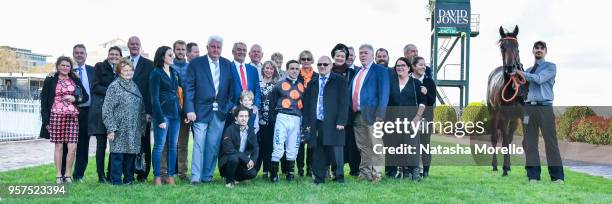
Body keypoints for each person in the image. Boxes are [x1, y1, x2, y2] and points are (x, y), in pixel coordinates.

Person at [184, 35, 235, 184]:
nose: (216, 49)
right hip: (199, 112)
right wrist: (190, 109)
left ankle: (207, 176)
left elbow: (232, 90)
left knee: (212, 146)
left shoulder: (227, 64)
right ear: (207, 47)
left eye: (218, 47)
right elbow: (189, 88)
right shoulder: (196, 63)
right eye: (213, 46)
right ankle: (195, 177)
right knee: (199, 144)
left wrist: (227, 107)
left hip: (219, 112)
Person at [516, 41, 564, 183]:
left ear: (545, 52)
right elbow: (522, 88)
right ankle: (533, 176)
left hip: (545, 108)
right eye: (536, 48)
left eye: (541, 48)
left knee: (551, 143)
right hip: (529, 109)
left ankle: (557, 177)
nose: (539, 50)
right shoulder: (528, 70)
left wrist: (520, 73)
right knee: (530, 143)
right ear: (533, 51)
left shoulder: (551, 67)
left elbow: (539, 79)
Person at [40, 56, 89, 184]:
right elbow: (44, 101)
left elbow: (84, 96)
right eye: (63, 65)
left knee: (72, 146)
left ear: (70, 68)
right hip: (55, 116)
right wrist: (46, 121)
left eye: (68, 66)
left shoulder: (75, 79)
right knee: (59, 146)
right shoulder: (51, 79)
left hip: (72, 117)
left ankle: (67, 175)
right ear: (58, 66)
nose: (65, 68)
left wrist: (75, 99)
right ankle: (58, 175)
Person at [304, 56, 349, 184]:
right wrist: (307, 123)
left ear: (330, 66)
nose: (322, 66)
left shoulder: (340, 80)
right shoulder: (312, 82)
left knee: (336, 151)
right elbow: (307, 104)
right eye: (320, 64)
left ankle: (339, 177)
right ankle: (319, 178)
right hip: (317, 121)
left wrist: (342, 121)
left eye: (325, 64)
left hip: (335, 121)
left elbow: (344, 103)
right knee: (318, 150)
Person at [102, 59, 146, 185]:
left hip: (133, 127)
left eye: (130, 70)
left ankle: (129, 179)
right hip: (119, 127)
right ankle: (116, 181)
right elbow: (107, 109)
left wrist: (142, 125)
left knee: (131, 155)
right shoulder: (114, 86)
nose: (128, 72)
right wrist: (111, 128)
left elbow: (141, 106)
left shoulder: (134, 85)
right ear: (119, 72)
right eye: (124, 70)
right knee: (118, 155)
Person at [351, 44, 390, 182]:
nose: (362, 55)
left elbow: (384, 94)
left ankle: (377, 174)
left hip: (374, 115)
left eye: (365, 53)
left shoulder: (380, 70)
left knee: (375, 144)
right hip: (357, 115)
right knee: (363, 146)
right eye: (360, 53)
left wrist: (380, 115)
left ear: (372, 55)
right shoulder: (357, 72)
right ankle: (364, 173)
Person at [386, 57, 426, 181]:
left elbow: (423, 102)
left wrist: (417, 117)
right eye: (398, 66)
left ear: (409, 68)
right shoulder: (391, 83)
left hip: (411, 120)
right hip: (393, 121)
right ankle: (396, 172)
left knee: (411, 146)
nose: (400, 68)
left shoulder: (416, 83)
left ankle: (414, 172)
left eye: (403, 65)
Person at [268, 60, 308, 182]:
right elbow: (272, 104)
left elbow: (304, 105)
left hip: (296, 118)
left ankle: (290, 174)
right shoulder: (279, 85)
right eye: (292, 68)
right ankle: (274, 174)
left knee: (293, 147)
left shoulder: (302, 86)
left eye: (297, 68)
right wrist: (274, 119)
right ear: (287, 69)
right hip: (282, 117)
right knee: (278, 146)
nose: (294, 71)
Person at [89, 46, 122, 183]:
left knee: (114, 145)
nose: (114, 56)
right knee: (101, 145)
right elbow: (95, 87)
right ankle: (101, 175)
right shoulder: (99, 66)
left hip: (117, 112)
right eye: (111, 54)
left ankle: (111, 174)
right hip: (102, 111)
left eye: (117, 54)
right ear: (108, 55)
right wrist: (112, 91)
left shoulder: (122, 69)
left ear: (120, 56)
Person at [149, 46, 181, 185]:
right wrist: (160, 118)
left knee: (173, 146)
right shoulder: (156, 73)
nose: (172, 57)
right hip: (162, 115)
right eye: (170, 55)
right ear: (162, 57)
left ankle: (169, 176)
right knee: (159, 145)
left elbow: (177, 93)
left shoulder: (174, 72)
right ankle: (157, 177)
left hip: (175, 114)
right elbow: (154, 98)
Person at [161, 40, 190, 181]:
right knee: (167, 143)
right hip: (170, 110)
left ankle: (182, 173)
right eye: (177, 49)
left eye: (183, 49)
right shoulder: (168, 67)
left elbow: (190, 90)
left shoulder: (190, 67)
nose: (180, 51)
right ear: (173, 51)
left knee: (183, 144)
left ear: (186, 51)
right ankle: (164, 172)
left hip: (185, 110)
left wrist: (188, 110)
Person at [127, 36, 155, 182]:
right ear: (128, 45)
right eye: (132, 44)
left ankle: (143, 174)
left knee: (144, 143)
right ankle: (129, 172)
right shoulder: (122, 62)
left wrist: (149, 111)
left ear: (140, 46)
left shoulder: (149, 64)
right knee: (129, 142)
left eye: (137, 44)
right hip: (126, 111)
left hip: (143, 111)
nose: (135, 46)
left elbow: (151, 90)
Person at [329, 43, 359, 177]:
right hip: (331, 113)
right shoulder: (328, 70)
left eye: (343, 56)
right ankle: (333, 170)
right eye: (338, 56)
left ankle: (354, 169)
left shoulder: (354, 72)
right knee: (333, 142)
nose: (340, 58)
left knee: (352, 143)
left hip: (350, 112)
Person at [219, 107, 259, 188]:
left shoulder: (251, 130)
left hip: (241, 161)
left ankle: (235, 178)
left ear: (248, 118)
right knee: (233, 158)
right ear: (236, 117)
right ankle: (229, 181)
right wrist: (245, 158)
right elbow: (228, 149)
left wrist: (252, 161)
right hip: (228, 162)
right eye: (241, 116)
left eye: (246, 116)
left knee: (252, 173)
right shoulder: (229, 129)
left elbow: (256, 148)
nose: (244, 119)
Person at [71, 44, 94, 182]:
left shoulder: (92, 70)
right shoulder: (68, 70)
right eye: (76, 53)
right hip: (72, 112)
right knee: (69, 144)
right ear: (73, 54)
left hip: (88, 112)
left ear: (86, 55)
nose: (79, 55)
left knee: (83, 145)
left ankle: (79, 174)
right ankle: (64, 173)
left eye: (81, 53)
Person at [254, 60, 280, 178]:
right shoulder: (258, 84)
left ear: (274, 71)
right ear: (263, 69)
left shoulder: (277, 85)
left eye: (271, 68)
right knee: (259, 144)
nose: (269, 70)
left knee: (269, 145)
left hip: (272, 119)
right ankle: (254, 169)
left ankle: (267, 171)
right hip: (259, 119)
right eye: (267, 68)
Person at [412, 56, 437, 178]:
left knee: (425, 144)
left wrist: (427, 93)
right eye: (420, 65)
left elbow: (432, 101)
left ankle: (426, 170)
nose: (423, 67)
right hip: (410, 117)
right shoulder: (409, 80)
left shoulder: (429, 81)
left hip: (426, 117)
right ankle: (412, 169)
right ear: (414, 66)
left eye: (424, 65)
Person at [295, 50, 318, 177]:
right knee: (299, 142)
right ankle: (300, 169)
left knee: (310, 142)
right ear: (300, 60)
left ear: (312, 60)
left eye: (308, 59)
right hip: (298, 112)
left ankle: (310, 167)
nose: (306, 61)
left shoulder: (317, 76)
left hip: (312, 113)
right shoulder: (296, 75)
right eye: (303, 59)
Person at [230, 42, 261, 114]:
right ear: (233, 52)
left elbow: (257, 90)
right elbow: (224, 91)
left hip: (250, 111)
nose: (242, 52)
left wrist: (256, 105)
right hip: (233, 111)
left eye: (244, 50)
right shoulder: (228, 67)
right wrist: (231, 107)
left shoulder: (253, 70)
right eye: (239, 49)